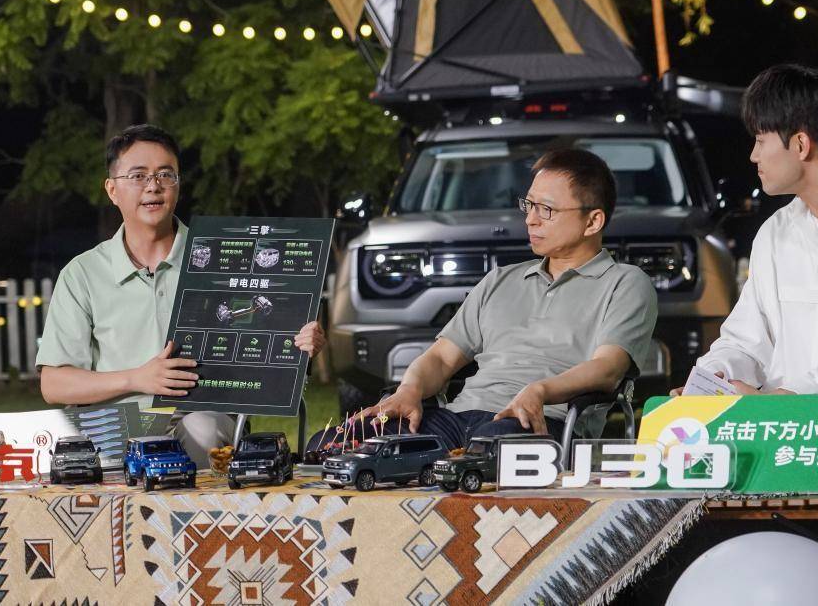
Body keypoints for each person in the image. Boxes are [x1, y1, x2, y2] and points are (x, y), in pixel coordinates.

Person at [309, 148, 657, 453]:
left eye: (546, 210)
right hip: (456, 418)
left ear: (593, 221)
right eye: (529, 205)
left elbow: (608, 369)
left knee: (485, 454)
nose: (530, 219)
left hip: (540, 420)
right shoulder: (500, 280)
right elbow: (441, 358)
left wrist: (539, 391)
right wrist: (409, 390)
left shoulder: (624, 283)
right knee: (331, 445)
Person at [37, 124, 326, 466]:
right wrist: (137, 378)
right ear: (112, 190)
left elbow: (261, 337)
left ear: (178, 184)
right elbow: (54, 384)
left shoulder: (223, 261)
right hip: (115, 426)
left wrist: (300, 344)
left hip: (201, 415)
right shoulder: (83, 273)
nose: (153, 186)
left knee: (204, 428)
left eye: (165, 174)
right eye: (138, 176)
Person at [674, 64, 818, 468]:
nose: (753, 155)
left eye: (760, 140)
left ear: (800, 144)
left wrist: (777, 404)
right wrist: (708, 384)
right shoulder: (775, 232)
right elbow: (745, 340)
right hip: (774, 434)